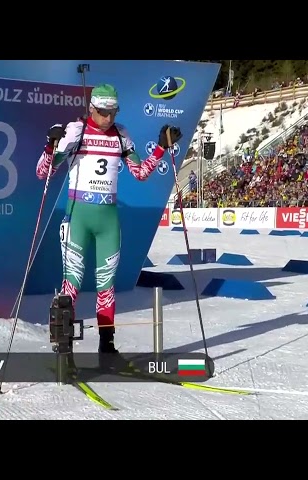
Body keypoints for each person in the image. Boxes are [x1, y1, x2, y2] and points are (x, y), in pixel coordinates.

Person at [35, 83, 182, 355]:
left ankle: (107, 345)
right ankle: (64, 346)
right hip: (77, 217)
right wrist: (49, 145)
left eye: (114, 112)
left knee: (106, 287)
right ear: (92, 108)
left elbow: (139, 173)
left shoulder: (121, 135)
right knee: (72, 283)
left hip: (108, 222)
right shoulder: (76, 131)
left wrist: (161, 148)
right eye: (103, 112)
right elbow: (43, 173)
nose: (109, 118)